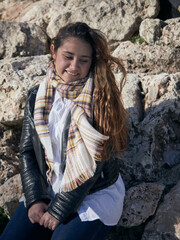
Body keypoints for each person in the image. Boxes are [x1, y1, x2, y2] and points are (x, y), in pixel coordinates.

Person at [0, 22, 128, 240]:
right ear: (53, 51)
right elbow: (28, 152)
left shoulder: (101, 100)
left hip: (93, 194)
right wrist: (35, 199)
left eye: (83, 60)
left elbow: (96, 166)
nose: (74, 66)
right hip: (49, 188)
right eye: (68, 56)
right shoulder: (37, 96)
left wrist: (59, 209)